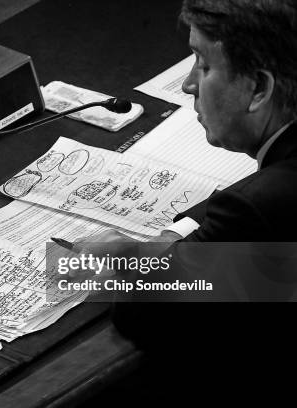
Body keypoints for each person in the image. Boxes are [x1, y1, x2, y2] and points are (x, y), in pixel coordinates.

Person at [79, 0, 297, 403]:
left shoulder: (258, 209)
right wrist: (179, 234)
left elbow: (144, 317)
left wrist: (132, 262)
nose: (188, 85)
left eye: (204, 64)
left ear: (260, 88)